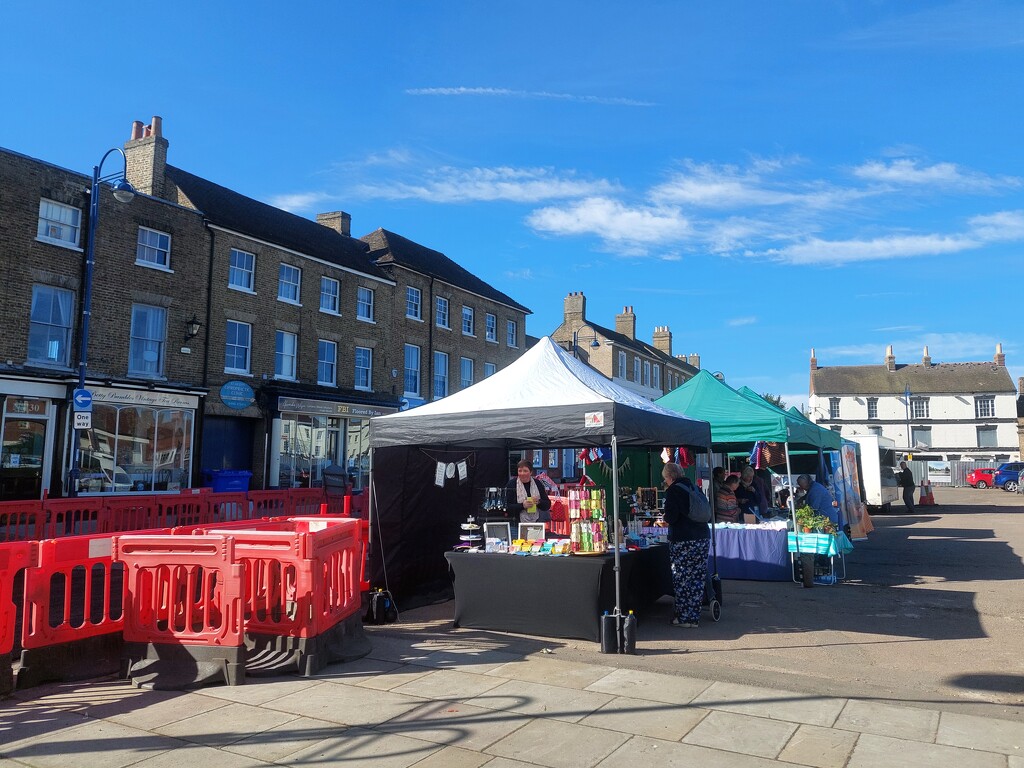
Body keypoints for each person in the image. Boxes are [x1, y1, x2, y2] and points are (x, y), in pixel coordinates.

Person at [661, 462, 711, 628]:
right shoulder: (693, 487)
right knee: (697, 578)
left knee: (682, 577)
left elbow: (671, 517)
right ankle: (693, 618)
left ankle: (683, 618)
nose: (665, 482)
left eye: (665, 479)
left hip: (683, 539)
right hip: (702, 537)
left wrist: (665, 516)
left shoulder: (673, 491)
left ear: (670, 477)